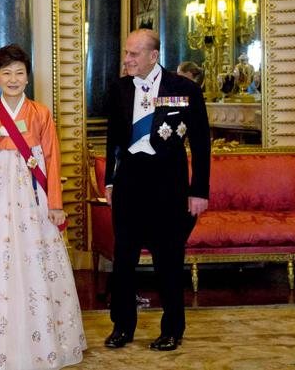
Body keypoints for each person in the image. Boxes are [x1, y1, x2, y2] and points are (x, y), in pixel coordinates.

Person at [0, 44, 86, 369]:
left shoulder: (40, 113)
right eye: (6, 73)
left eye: (19, 72)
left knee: (35, 257)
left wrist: (55, 203)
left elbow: (53, 159)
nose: (13, 79)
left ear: (27, 77)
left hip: (33, 198)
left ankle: (43, 337)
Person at [102, 29, 210, 351]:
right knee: (124, 260)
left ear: (153, 56)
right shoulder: (119, 89)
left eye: (134, 54)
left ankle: (172, 329)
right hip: (130, 182)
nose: (127, 59)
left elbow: (202, 143)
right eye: (126, 53)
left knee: (168, 261)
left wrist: (199, 191)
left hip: (168, 184)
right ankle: (122, 326)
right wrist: (110, 180)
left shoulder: (184, 89)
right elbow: (113, 141)